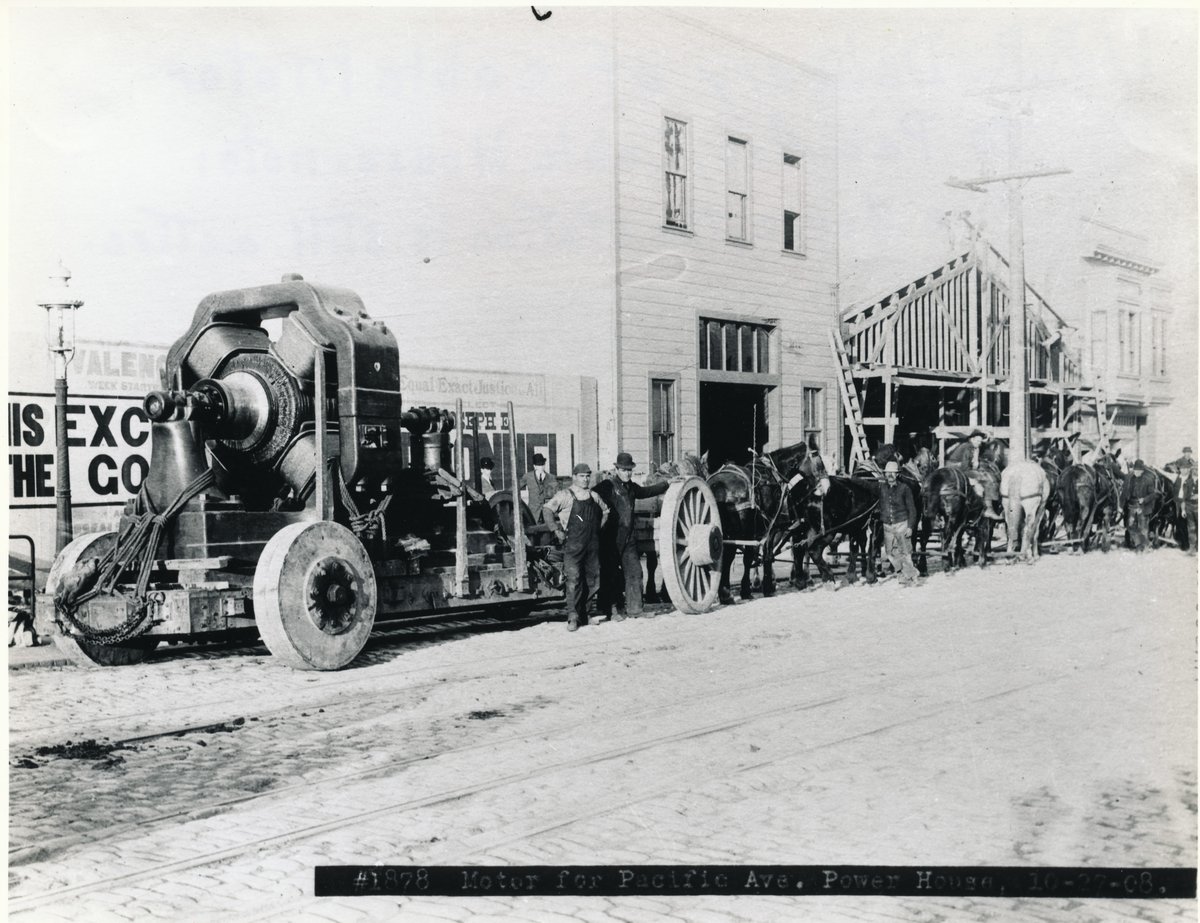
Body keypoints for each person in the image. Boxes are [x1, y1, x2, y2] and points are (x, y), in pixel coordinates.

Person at [593, 452, 671, 620]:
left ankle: (636, 609)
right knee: (610, 574)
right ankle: (612, 610)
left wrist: (667, 484)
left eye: (629, 470)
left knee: (635, 571)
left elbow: (647, 491)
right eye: (624, 470)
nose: (627, 473)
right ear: (617, 470)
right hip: (611, 539)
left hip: (628, 539)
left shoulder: (632, 487)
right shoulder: (607, 486)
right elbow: (592, 497)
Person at [543, 463, 610, 631]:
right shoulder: (565, 495)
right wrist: (555, 529)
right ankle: (573, 617)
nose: (585, 479)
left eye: (587, 476)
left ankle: (585, 615)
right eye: (581, 476)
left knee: (593, 580)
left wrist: (598, 528)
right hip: (573, 545)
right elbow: (547, 510)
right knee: (573, 580)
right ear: (574, 477)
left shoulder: (594, 495)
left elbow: (605, 512)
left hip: (592, 545)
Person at [879, 460, 921, 586]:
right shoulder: (882, 488)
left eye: (892, 473)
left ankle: (912, 577)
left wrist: (910, 527)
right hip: (887, 525)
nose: (890, 475)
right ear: (885, 474)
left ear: (897, 474)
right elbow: (866, 485)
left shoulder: (904, 488)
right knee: (890, 553)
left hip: (901, 523)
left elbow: (912, 509)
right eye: (888, 473)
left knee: (905, 552)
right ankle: (901, 573)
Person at [1121, 459, 1158, 553]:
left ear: (1142, 471)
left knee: (1143, 528)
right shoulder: (1130, 479)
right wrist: (1121, 506)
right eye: (1135, 470)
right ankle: (1138, 544)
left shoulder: (1148, 480)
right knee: (1130, 526)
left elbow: (1154, 495)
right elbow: (1124, 493)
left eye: (1139, 470)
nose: (1136, 472)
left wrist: (1144, 499)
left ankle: (1144, 547)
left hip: (1143, 507)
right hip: (1132, 506)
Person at [521, 453, 558, 544]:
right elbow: (515, 488)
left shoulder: (551, 478)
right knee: (533, 536)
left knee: (547, 536)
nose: (541, 467)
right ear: (534, 466)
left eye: (542, 465)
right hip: (533, 512)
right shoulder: (528, 477)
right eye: (538, 465)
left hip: (548, 512)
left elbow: (557, 494)